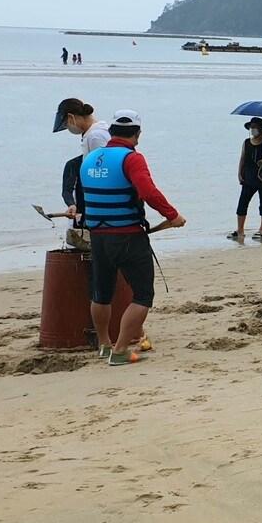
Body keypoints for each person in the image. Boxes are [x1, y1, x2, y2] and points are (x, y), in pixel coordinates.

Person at [79, 110, 185, 365]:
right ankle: (120, 350)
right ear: (137, 134)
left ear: (112, 131)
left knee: (101, 293)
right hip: (127, 235)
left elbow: (84, 196)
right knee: (142, 294)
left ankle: (104, 344)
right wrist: (173, 215)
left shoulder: (90, 158)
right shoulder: (132, 159)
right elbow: (148, 192)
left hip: (98, 236)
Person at [54, 97, 113, 225]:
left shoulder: (96, 136)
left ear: (71, 117)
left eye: (66, 124)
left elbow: (105, 171)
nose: (68, 127)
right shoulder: (92, 133)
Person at [231, 118, 262, 241]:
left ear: (261, 128)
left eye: (255, 127)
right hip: (248, 178)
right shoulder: (246, 142)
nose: (253, 129)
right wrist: (239, 174)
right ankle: (240, 229)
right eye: (251, 127)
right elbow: (242, 159)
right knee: (242, 204)